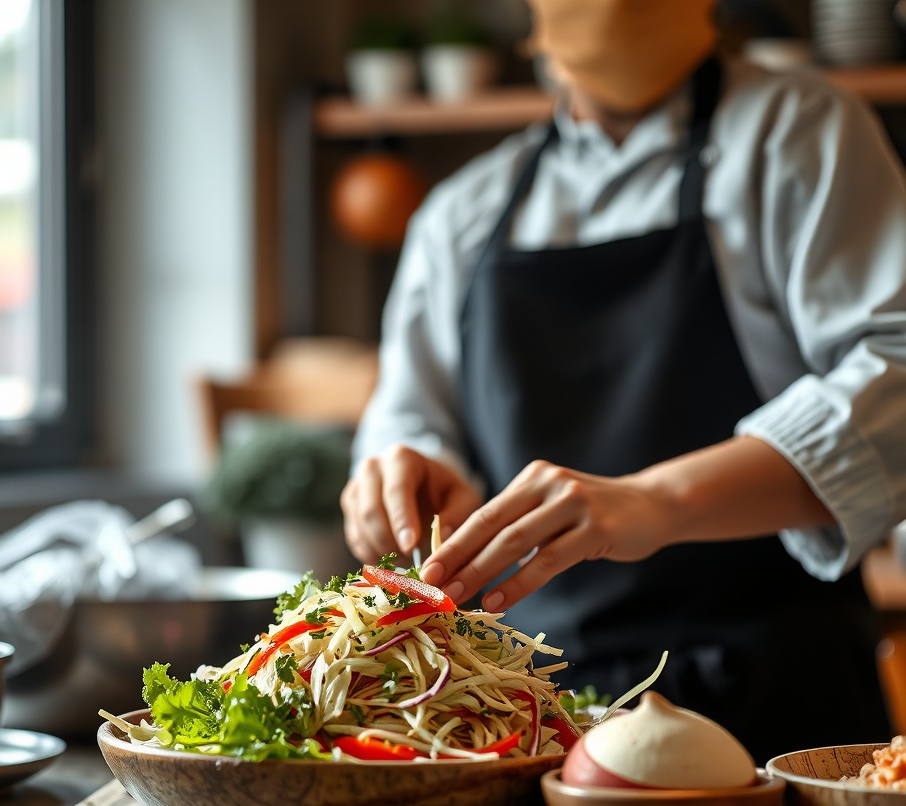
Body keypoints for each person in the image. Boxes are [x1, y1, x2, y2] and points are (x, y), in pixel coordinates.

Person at [339, 0, 906, 763]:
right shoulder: (460, 215)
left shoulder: (799, 131)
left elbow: (895, 371)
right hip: (532, 718)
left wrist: (656, 501)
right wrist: (409, 472)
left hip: (780, 706)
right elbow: (410, 416)